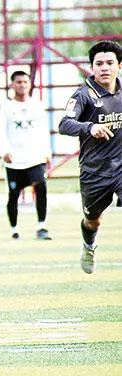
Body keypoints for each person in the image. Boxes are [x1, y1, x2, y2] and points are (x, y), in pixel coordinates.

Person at [58, 40, 122, 274]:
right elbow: (64, 124)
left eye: (110, 63)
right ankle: (89, 246)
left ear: (119, 66)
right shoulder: (83, 95)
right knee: (93, 220)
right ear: (92, 67)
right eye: (99, 64)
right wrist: (89, 127)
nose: (105, 68)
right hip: (95, 172)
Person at [0, 70, 53, 241]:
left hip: (35, 157)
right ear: (12, 85)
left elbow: (43, 130)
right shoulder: (5, 106)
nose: (22, 85)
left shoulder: (37, 105)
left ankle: (41, 227)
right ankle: (14, 230)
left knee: (40, 187)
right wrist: (4, 150)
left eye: (25, 82)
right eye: (18, 82)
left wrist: (47, 152)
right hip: (14, 159)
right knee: (13, 194)